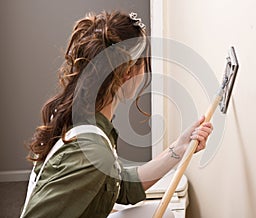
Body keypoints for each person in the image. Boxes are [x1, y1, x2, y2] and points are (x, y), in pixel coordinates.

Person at [22, 11, 213, 218]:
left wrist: (180, 148)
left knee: (164, 213)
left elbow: (119, 186)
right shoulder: (91, 153)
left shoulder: (85, 117)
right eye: (144, 65)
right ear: (128, 73)